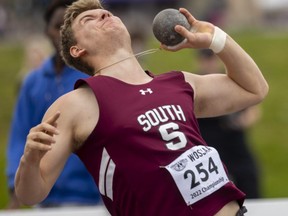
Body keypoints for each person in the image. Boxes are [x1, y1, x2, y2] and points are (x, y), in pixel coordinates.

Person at [14, 0, 269, 215]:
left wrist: (215, 38)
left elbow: (254, 89)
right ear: (77, 49)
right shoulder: (76, 104)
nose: (104, 13)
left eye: (106, 12)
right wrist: (30, 160)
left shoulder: (178, 82)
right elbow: (31, 193)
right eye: (88, 19)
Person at [6, 0, 101, 209]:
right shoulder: (32, 82)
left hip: (91, 201)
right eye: (57, 26)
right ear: (46, 31)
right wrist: (16, 185)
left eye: (67, 28)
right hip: (42, 199)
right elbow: (19, 135)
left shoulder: (93, 78)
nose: (61, 34)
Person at [196, 49, 262, 198]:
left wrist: (243, 121)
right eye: (206, 60)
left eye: (212, 59)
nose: (209, 64)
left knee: (249, 184)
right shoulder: (195, 83)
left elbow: (253, 106)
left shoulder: (228, 79)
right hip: (208, 144)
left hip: (235, 141)